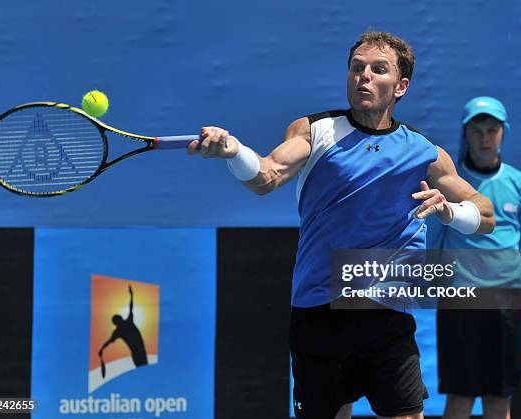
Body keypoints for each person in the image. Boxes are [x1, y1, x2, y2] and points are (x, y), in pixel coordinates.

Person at [188, 31, 495, 419]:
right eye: (356, 67)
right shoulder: (314, 131)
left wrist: (450, 210)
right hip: (320, 314)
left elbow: (485, 215)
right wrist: (234, 152)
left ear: (400, 86)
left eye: (377, 69)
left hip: (387, 314)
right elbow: (266, 176)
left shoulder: (423, 152)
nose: (363, 76)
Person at [429, 97, 521, 419]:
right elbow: (435, 241)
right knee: (460, 399)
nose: (485, 137)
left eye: (492, 129)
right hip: (460, 301)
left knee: (499, 400)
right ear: (466, 134)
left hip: (508, 301)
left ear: (503, 133)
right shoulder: (450, 185)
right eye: (477, 130)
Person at [99, 284, 148, 368]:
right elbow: (131, 307)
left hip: (137, 353)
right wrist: (131, 295)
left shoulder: (118, 331)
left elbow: (108, 342)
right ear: (120, 319)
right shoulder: (128, 322)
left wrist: (102, 349)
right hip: (140, 352)